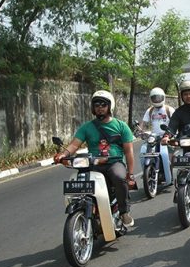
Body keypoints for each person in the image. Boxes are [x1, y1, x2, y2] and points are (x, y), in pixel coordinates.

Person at [53, 90, 136, 227]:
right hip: (93, 163)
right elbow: (74, 145)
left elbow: (128, 151)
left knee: (119, 177)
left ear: (110, 106)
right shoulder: (87, 127)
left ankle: (124, 212)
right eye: (96, 105)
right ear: (93, 107)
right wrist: (63, 154)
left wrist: (130, 174)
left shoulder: (121, 126)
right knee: (82, 183)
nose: (100, 108)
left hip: (114, 163)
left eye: (103, 105)